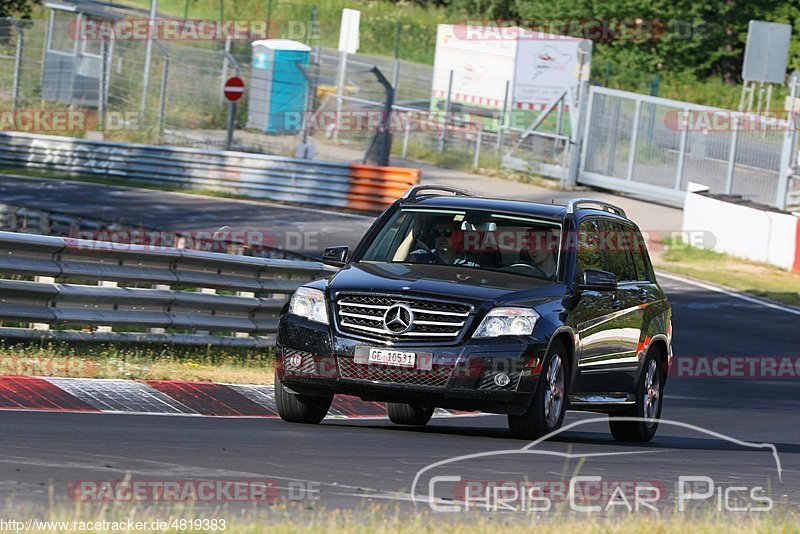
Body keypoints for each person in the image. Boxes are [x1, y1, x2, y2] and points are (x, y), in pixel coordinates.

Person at [408, 218, 478, 267]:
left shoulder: (470, 264)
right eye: (437, 233)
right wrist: (413, 233)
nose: (442, 238)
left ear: (458, 237)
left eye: (447, 233)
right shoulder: (424, 256)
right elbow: (398, 260)